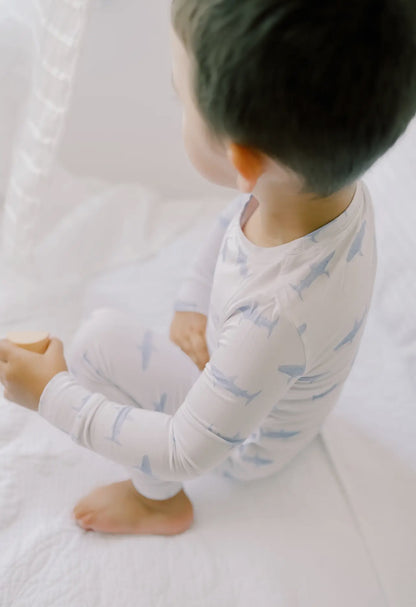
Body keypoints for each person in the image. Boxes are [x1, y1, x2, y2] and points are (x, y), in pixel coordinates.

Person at [0, 0, 415, 536]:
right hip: (268, 394)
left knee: (95, 343)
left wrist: (50, 393)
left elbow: (183, 450)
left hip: (246, 446)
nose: (178, 106)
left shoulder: (276, 316)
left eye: (180, 96)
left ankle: (158, 504)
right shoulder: (325, 193)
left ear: (244, 161)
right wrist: (192, 302)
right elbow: (232, 221)